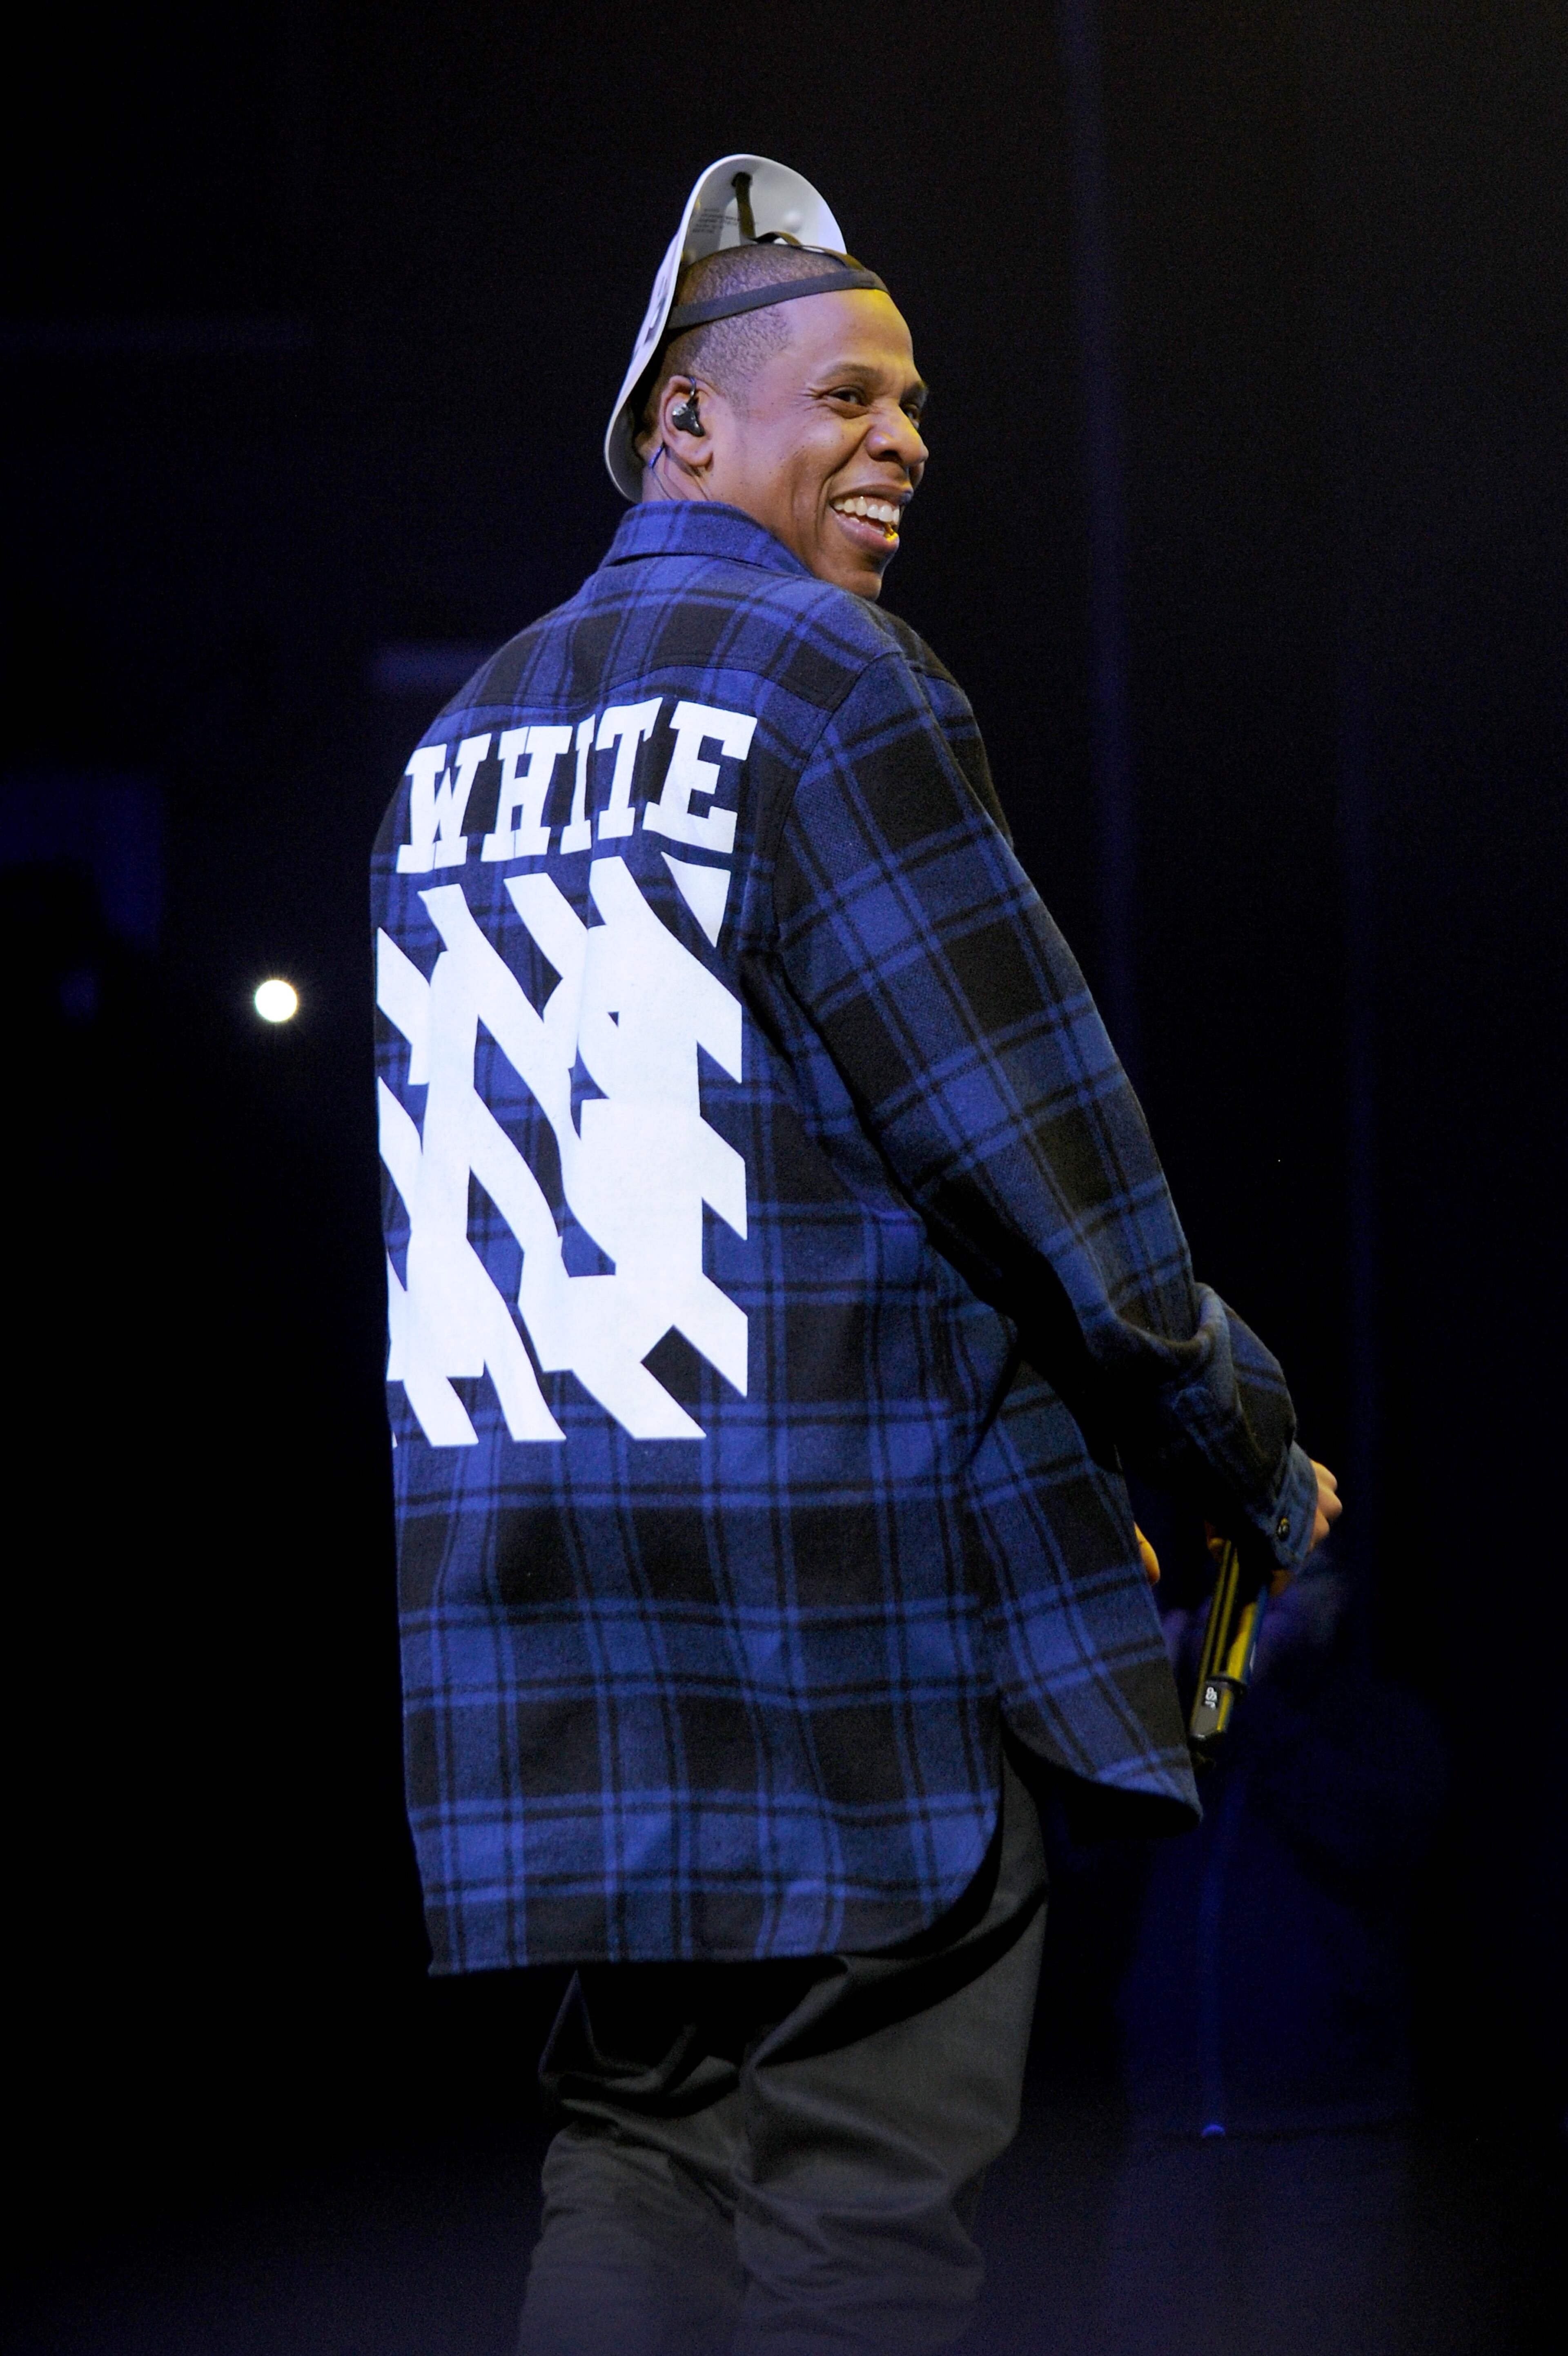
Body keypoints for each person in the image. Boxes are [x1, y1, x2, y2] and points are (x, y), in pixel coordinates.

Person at [369, 154, 1340, 2354]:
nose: (905, 439)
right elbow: (1046, 1163)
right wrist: (1244, 1452)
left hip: (561, 1638)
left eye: (918, 405)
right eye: (851, 395)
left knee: (625, 2166)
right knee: (861, 2237)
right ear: (682, 427)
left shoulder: (449, 756)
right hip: (840, 1633)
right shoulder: (834, 685)